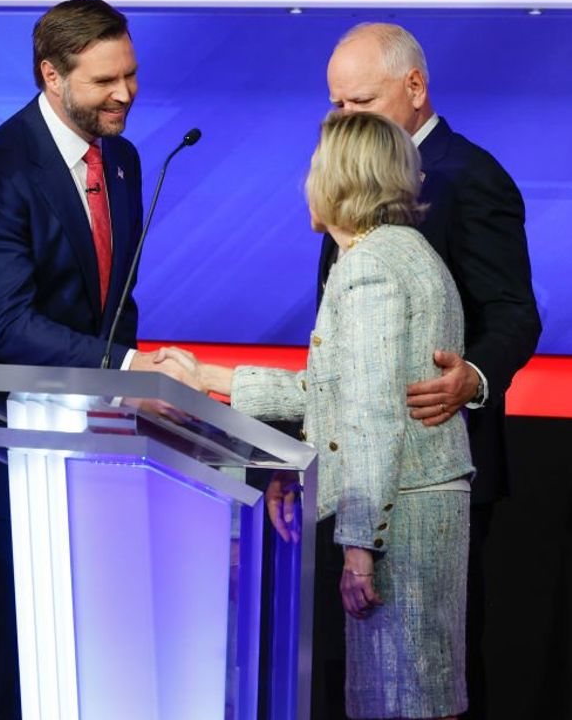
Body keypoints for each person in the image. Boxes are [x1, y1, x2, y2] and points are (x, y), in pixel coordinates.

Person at [0, 0, 189, 719]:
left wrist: (128, 388)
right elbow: (10, 325)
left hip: (94, 455)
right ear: (52, 76)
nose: (125, 94)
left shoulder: (127, 160)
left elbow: (116, 300)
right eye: (105, 81)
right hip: (7, 455)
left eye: (131, 75)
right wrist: (129, 365)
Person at [183, 110, 474, 719]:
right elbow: (338, 391)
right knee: (422, 697)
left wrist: (358, 547)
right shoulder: (404, 252)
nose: (306, 181)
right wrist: (204, 378)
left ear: (340, 178)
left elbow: (370, 415)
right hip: (418, 501)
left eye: (314, 167)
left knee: (406, 701)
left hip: (400, 515)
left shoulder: (369, 268)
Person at [317, 22, 542, 719]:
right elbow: (339, 343)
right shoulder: (351, 177)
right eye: (336, 108)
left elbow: (514, 312)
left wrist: (471, 376)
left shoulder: (471, 175)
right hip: (360, 475)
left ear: (414, 86)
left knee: (435, 675)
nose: (343, 122)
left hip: (434, 466)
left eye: (360, 103)